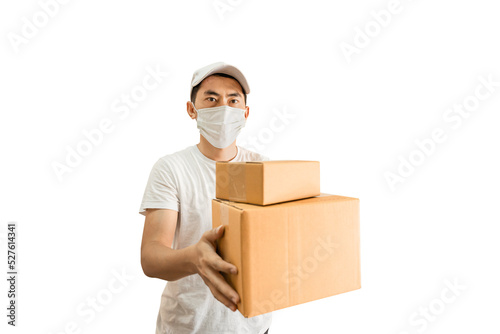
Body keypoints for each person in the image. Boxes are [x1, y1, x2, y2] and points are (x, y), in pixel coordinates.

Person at [139, 62, 272, 334]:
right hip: (188, 327)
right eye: (211, 98)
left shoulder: (264, 169)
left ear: (245, 113)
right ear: (192, 110)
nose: (223, 107)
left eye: (233, 100)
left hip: (254, 327)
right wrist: (194, 258)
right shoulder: (171, 169)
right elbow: (151, 257)